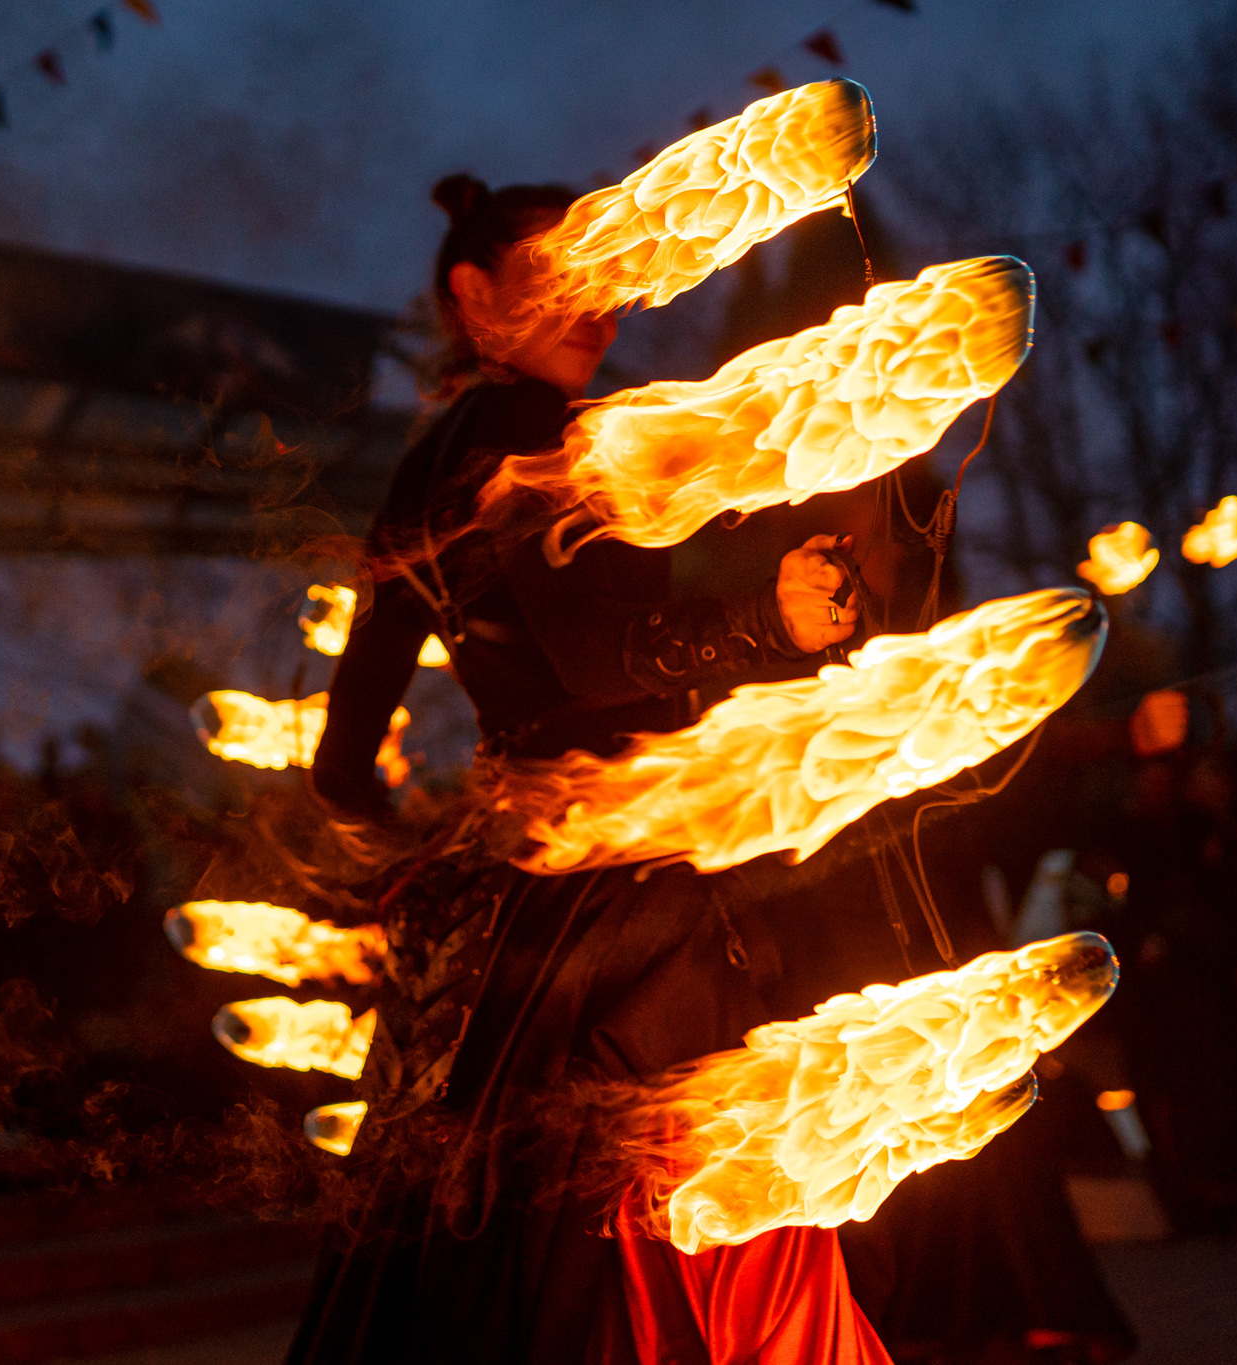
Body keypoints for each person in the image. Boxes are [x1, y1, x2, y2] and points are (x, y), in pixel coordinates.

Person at [287, 175, 889, 1365]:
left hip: (506, 883)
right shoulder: (532, 440)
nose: (600, 305)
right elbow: (585, 663)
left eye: (611, 274)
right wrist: (761, 622)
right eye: (560, 274)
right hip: (615, 891)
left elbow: (344, 754)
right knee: (658, 1194)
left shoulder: (426, 461)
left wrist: (418, 858)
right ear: (472, 294)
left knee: (475, 1220)